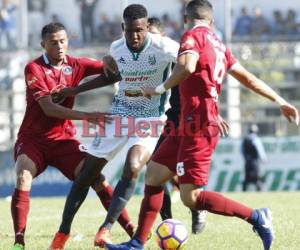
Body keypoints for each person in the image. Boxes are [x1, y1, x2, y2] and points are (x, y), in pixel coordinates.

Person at [105, 1, 299, 250]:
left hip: (199, 124)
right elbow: (248, 78)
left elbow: (187, 66)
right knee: (153, 175)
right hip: (188, 122)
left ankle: (257, 217)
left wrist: (157, 89)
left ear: (186, 19)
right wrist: (280, 100)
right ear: (212, 21)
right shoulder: (219, 45)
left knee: (191, 198)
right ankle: (137, 243)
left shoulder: (192, 36)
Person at [50, 4, 180, 248]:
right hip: (119, 114)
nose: (134, 36)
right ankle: (62, 233)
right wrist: (75, 89)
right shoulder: (117, 47)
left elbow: (189, 63)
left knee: (132, 166)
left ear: (146, 27)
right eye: (129, 31)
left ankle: (105, 229)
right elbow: (113, 76)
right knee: (86, 175)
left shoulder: (164, 47)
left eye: (139, 30)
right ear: (123, 27)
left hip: (151, 118)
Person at [10, 22, 133, 250]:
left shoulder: (77, 64)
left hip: (63, 139)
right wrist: (88, 116)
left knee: (96, 178)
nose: (59, 46)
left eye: (63, 41)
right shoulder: (34, 68)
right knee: (23, 176)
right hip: (33, 139)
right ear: (43, 45)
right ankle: (19, 241)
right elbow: (49, 108)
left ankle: (132, 232)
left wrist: (108, 61)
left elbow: (114, 74)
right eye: (53, 42)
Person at [148, 16, 207, 234]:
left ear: (162, 36)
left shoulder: (179, 53)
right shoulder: (145, 60)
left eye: (153, 35)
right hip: (172, 119)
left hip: (192, 118)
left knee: (184, 174)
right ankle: (167, 221)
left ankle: (197, 209)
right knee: (155, 170)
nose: (149, 41)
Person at [241, 124, 267, 191]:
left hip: (247, 161)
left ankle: (244, 191)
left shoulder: (245, 139)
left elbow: (242, 150)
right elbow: (259, 149)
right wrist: (263, 158)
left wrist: (245, 158)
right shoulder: (256, 139)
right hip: (254, 161)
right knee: (257, 177)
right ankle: (259, 191)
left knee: (247, 177)